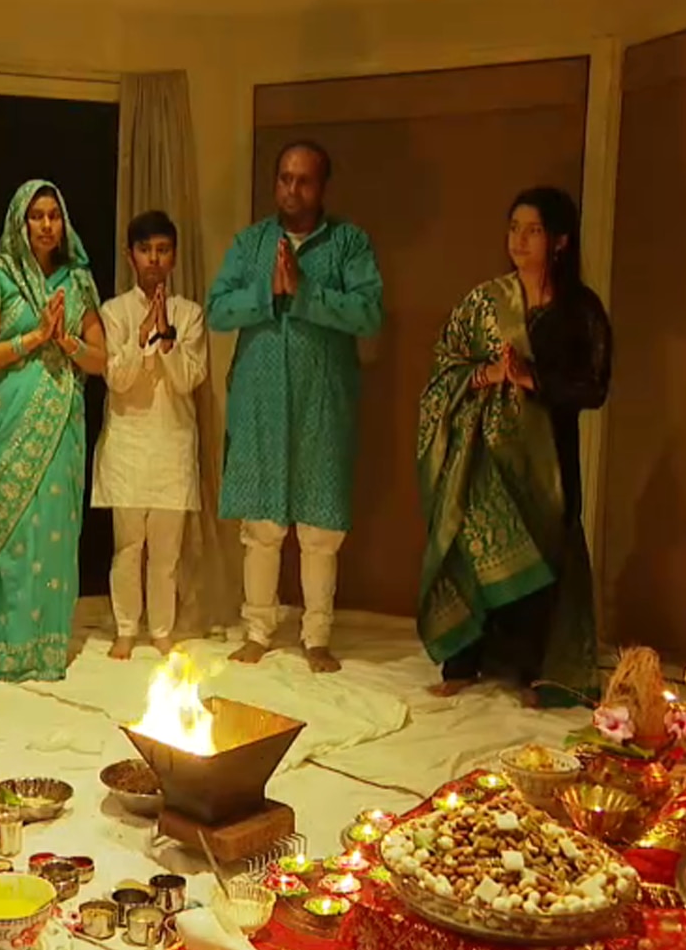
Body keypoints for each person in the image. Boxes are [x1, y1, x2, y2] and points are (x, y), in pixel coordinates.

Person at [417, 186, 610, 705]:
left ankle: (532, 673)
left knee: (542, 554)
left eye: (533, 230)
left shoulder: (580, 311)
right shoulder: (484, 302)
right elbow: (445, 368)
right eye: (513, 228)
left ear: (561, 241)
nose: (519, 240)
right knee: (471, 546)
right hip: (484, 458)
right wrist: (488, 374)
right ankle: (463, 661)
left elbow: (595, 386)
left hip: (547, 457)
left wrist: (532, 380)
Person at [208, 141, 383, 674]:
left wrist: (305, 292)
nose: (291, 189)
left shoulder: (349, 244)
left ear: (322, 186)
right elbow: (217, 310)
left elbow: (369, 315)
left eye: (303, 180)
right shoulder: (251, 243)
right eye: (284, 178)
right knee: (261, 523)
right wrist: (268, 291)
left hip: (321, 403)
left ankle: (316, 636)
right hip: (260, 399)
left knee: (319, 524)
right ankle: (257, 630)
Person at [0, 180, 108, 682]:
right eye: (36, 216)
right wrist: (33, 339)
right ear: (19, 223)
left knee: (54, 533)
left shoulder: (78, 280)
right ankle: (2, 650)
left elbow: (101, 358)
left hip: (60, 423)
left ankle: (46, 650)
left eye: (54, 215)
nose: (47, 225)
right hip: (6, 425)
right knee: (14, 538)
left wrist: (66, 342)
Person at [92, 210, 207, 659]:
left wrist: (166, 341)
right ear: (130, 256)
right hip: (127, 442)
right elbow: (116, 380)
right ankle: (125, 628)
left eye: (162, 250)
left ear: (173, 256)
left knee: (166, 552)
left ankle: (161, 629)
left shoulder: (190, 314)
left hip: (173, 440)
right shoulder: (113, 311)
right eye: (145, 250)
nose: (153, 259)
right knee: (127, 546)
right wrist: (141, 339)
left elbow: (188, 380)